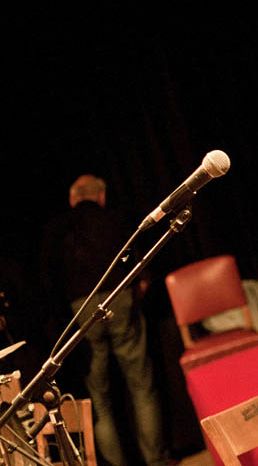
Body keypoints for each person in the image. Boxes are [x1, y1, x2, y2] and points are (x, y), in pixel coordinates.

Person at [40, 175, 170, 466]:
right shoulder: (115, 217)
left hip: (81, 307)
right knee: (141, 386)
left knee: (100, 400)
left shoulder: (56, 229)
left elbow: (50, 283)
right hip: (121, 296)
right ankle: (157, 461)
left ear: (73, 199)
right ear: (101, 196)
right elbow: (141, 263)